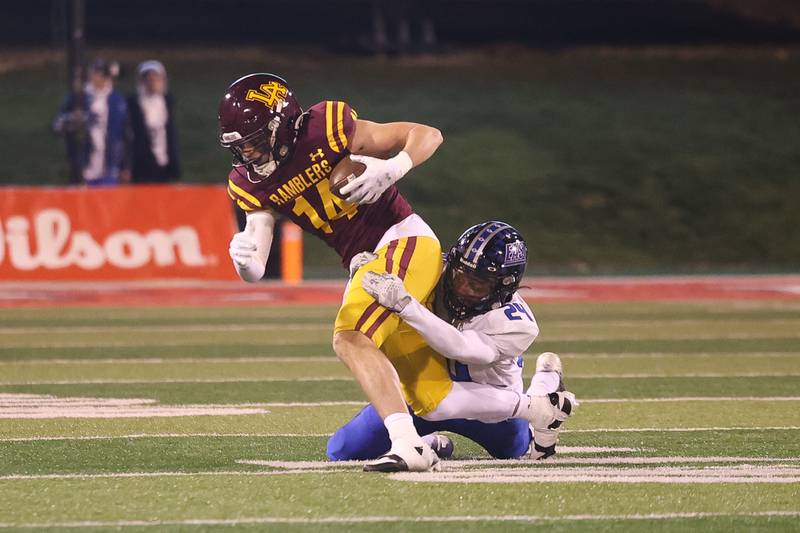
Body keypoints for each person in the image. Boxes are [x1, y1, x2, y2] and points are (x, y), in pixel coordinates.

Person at [220, 73, 445, 472]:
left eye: (254, 141)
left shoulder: (326, 128)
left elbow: (428, 134)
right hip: (365, 262)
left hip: (401, 239)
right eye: (241, 147)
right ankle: (518, 419)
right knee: (353, 437)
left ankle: (410, 444)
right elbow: (257, 265)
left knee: (351, 336)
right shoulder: (248, 183)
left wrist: (394, 168)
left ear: (282, 124)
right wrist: (243, 260)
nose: (248, 155)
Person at [327, 221, 577, 464]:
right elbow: (372, 315)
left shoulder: (516, 323)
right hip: (424, 390)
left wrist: (407, 306)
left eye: (477, 284)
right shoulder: (433, 269)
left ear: (503, 287)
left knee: (514, 450)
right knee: (343, 450)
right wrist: (359, 282)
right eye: (460, 275)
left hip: (490, 408)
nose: (463, 288)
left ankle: (545, 386)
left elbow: (462, 348)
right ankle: (426, 442)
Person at [53, 58, 128, 186]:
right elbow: (57, 125)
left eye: (104, 75)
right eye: (97, 73)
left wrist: (124, 165)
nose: (101, 78)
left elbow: (125, 134)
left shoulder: (117, 100)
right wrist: (77, 120)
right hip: (84, 167)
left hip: (109, 168)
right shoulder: (78, 98)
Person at [126, 60, 181, 183]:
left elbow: (170, 136)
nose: (152, 83)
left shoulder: (167, 102)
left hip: (164, 165)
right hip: (141, 166)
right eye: (148, 79)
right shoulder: (133, 104)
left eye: (156, 78)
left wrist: (175, 166)